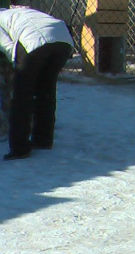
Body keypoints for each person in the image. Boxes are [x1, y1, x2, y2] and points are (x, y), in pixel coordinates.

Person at [0, 4, 74, 160]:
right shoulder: (18, 12)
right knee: (46, 90)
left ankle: (20, 148)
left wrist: (18, 67)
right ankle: (43, 139)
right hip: (63, 40)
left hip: (34, 40)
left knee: (22, 95)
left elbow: (7, 47)